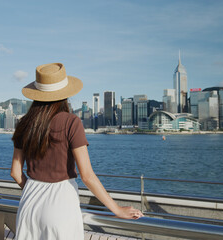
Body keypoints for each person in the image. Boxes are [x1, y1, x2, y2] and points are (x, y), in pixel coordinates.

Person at [11, 63, 143, 239]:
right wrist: (117, 209)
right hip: (60, 204)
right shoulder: (71, 122)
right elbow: (87, 176)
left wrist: (34, 189)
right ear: (64, 94)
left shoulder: (25, 123)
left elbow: (15, 172)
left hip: (29, 204)